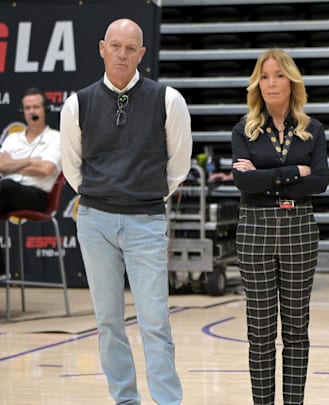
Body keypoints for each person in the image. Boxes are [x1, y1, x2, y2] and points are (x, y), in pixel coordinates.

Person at [59, 18, 192, 405]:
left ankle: (167, 400)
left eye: (130, 48)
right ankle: (125, 399)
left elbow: (178, 167)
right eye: (115, 46)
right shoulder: (77, 104)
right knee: (108, 322)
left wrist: (142, 196)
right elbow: (72, 168)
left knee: (155, 320)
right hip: (94, 221)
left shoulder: (169, 100)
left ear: (142, 54)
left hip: (146, 221)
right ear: (102, 48)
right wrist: (106, 197)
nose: (121, 54)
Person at [231, 48, 329, 405]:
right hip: (254, 229)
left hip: (299, 227)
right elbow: (243, 185)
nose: (271, 83)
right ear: (257, 83)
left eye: (279, 75)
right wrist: (291, 173)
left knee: (296, 331)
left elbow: (319, 182)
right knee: (259, 331)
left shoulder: (312, 129)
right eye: (265, 76)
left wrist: (263, 176)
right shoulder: (244, 129)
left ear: (292, 81)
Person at [0, 88, 61, 215]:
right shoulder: (12, 138)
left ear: (45, 109)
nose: (31, 111)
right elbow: (1, 166)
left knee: (5, 186)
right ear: (22, 111)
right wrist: (29, 161)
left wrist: (11, 164)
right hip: (6, 193)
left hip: (36, 196)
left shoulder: (56, 138)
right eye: (27, 108)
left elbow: (45, 169)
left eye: (36, 107)